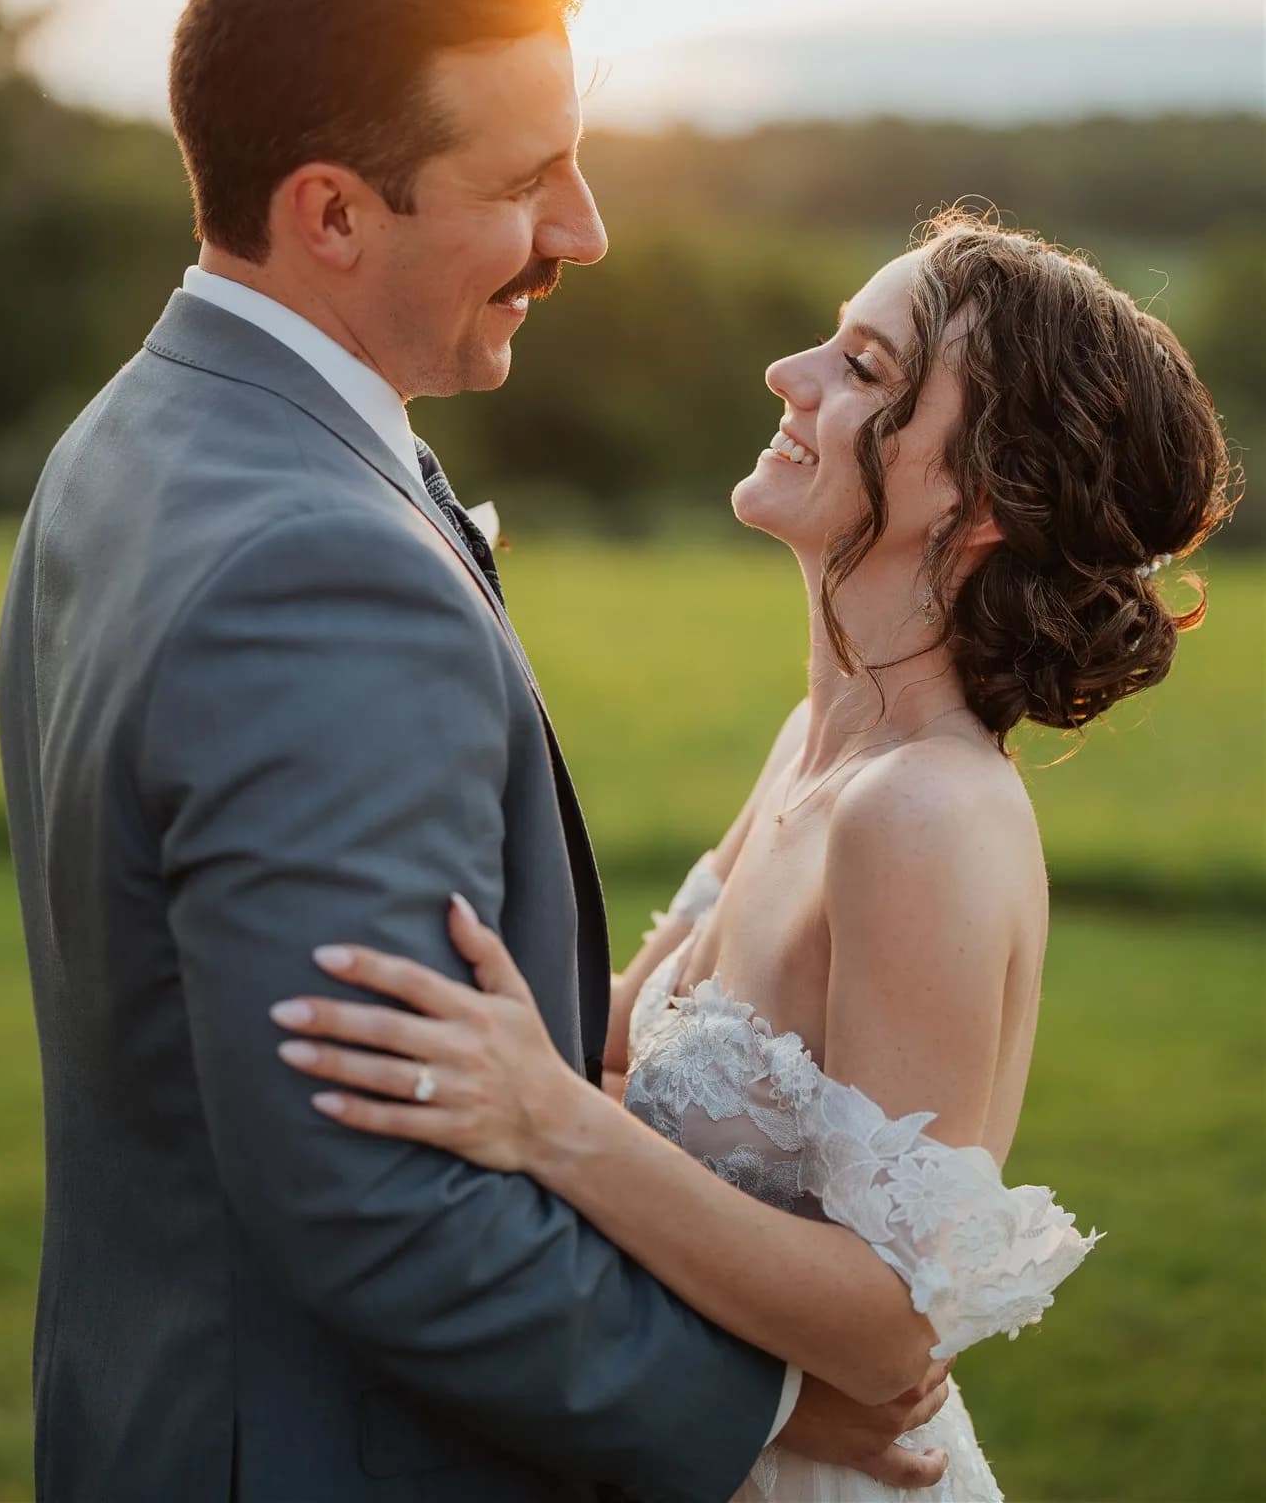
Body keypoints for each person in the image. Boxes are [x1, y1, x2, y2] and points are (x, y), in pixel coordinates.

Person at [0, 0, 953, 1503]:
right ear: (332, 214)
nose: (583, 230)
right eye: (525, 182)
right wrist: (762, 1409)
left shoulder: (134, 441)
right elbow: (374, 1193)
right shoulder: (314, 566)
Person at [274, 212, 1237, 1502]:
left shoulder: (926, 821)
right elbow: (612, 1049)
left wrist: (553, 1124)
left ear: (988, 494)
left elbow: (894, 1326)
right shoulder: (812, 746)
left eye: (865, 369)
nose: (790, 376)